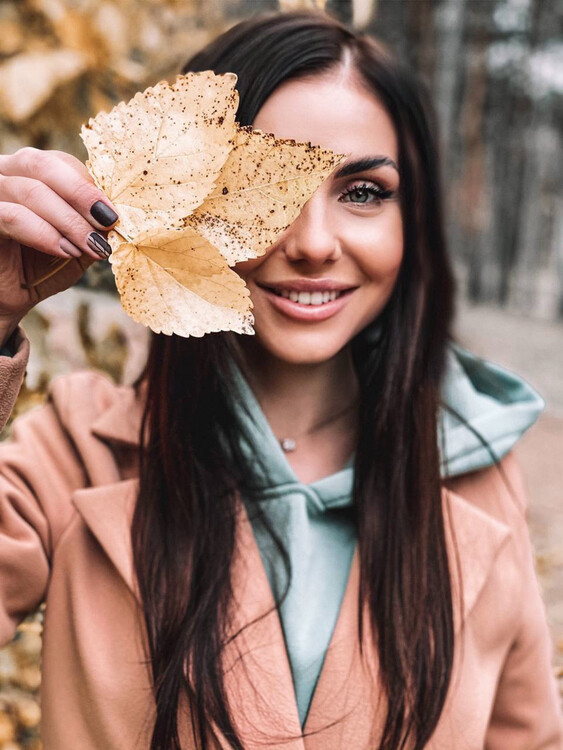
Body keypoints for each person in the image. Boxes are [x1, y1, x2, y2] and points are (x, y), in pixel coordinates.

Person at [0, 11, 561, 750]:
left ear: (411, 224)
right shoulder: (74, 452)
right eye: (254, 189)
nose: (312, 243)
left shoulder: (473, 475)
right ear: (181, 206)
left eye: (362, 192)